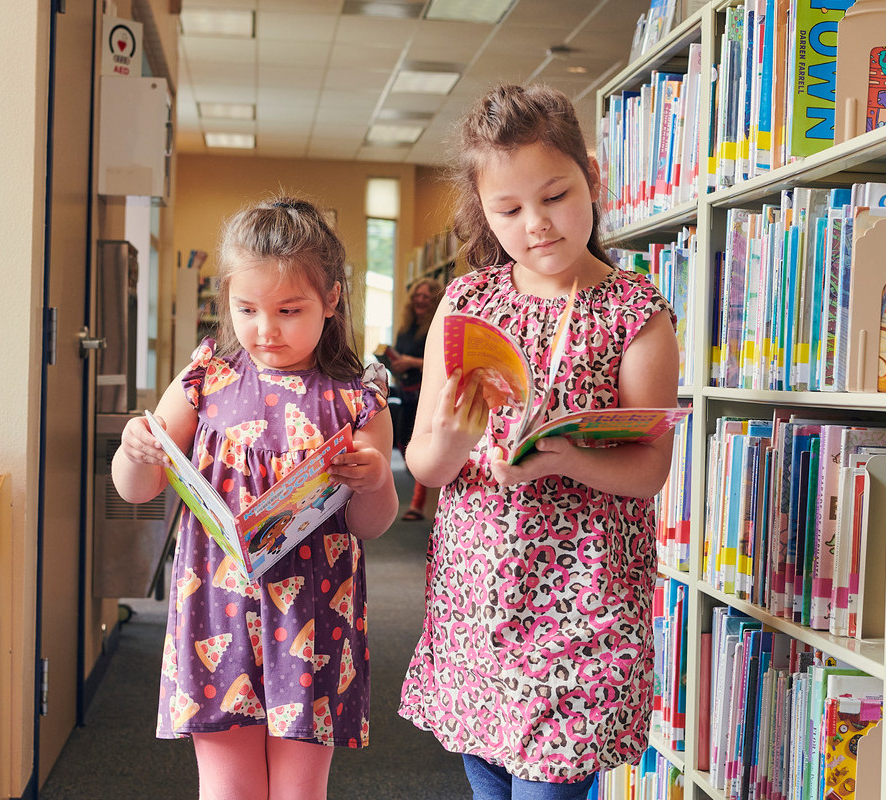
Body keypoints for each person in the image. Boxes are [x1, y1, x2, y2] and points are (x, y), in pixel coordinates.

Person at [397, 84, 679, 799]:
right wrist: (456, 438)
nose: (536, 226)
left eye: (554, 196)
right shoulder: (467, 304)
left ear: (592, 175)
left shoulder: (636, 312)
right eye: (509, 210)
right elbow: (424, 464)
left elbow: (650, 471)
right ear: (484, 212)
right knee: (486, 779)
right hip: (480, 602)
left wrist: (565, 458)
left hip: (582, 608)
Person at [112, 196, 398, 800]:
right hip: (214, 608)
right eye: (247, 309)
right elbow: (137, 489)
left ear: (332, 300)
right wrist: (135, 451)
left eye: (289, 310)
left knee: (299, 792)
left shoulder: (357, 400)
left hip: (316, 616)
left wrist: (372, 479)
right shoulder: (205, 380)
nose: (266, 329)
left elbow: (372, 524)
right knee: (227, 789)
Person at [386, 276, 444, 521]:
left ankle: (418, 503)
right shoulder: (406, 327)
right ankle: (417, 486)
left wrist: (412, 362)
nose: (420, 300)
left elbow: (441, 361)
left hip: (426, 391)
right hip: (406, 390)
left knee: (422, 440)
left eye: (425, 297)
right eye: (417, 296)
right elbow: (400, 355)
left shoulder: (437, 325)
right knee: (403, 442)